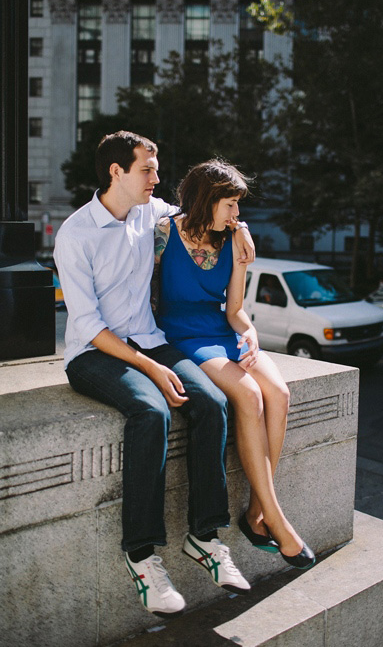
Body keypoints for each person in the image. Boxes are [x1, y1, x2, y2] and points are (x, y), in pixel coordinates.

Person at [54, 132, 256, 618]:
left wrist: (241, 227)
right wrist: (151, 367)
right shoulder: (75, 235)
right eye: (147, 168)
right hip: (94, 353)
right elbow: (89, 327)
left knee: (211, 402)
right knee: (150, 410)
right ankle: (142, 555)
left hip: (150, 338)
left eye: (157, 167)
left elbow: (203, 210)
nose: (157, 177)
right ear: (116, 172)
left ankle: (204, 537)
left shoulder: (152, 212)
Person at [152, 159, 315, 570]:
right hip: (180, 334)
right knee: (248, 395)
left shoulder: (233, 241)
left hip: (222, 330)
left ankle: (257, 512)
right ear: (207, 200)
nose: (237, 215)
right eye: (230, 205)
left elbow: (236, 310)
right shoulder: (164, 233)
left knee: (278, 392)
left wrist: (251, 333)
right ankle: (273, 520)